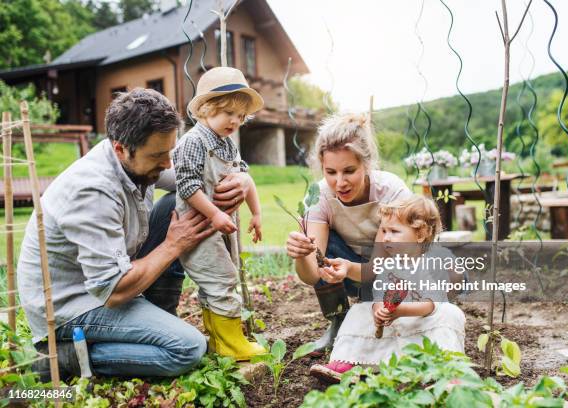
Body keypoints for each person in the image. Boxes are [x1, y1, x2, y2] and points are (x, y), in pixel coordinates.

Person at [17, 88, 251, 380]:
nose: (168, 163)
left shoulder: (142, 160)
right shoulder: (92, 192)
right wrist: (173, 245)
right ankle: (65, 357)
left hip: (109, 282)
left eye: (170, 151)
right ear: (121, 149)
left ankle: (161, 315)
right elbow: (112, 290)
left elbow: (191, 179)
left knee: (176, 204)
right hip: (73, 305)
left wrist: (242, 177)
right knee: (187, 348)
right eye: (158, 155)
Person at [285, 113, 412, 355]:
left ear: (367, 164)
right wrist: (301, 255)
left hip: (391, 270)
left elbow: (378, 267)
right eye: (330, 172)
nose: (340, 182)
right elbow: (313, 275)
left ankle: (394, 315)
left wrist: (348, 268)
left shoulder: (391, 191)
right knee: (322, 246)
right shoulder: (319, 196)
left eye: (349, 171)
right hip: (348, 271)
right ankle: (339, 321)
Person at [309, 196, 466, 383]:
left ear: (421, 234)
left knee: (450, 313)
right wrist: (378, 310)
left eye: (394, 231)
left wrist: (401, 311)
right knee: (359, 311)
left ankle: (448, 370)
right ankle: (346, 361)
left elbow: (431, 304)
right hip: (394, 322)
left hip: (422, 322)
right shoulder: (388, 263)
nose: (386, 238)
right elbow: (379, 295)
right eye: (383, 230)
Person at [172, 67, 265, 361]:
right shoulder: (194, 141)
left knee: (218, 281)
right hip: (199, 227)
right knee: (220, 278)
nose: (235, 121)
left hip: (220, 228)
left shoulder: (226, 144)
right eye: (228, 113)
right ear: (205, 108)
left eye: (241, 116)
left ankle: (219, 343)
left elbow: (244, 177)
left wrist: (256, 213)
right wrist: (213, 214)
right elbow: (187, 186)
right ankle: (233, 344)